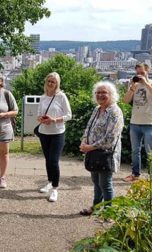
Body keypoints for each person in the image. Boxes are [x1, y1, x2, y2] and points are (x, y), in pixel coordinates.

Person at [79, 81, 124, 216]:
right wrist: (83, 141)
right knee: (96, 182)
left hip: (105, 154)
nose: (100, 95)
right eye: (98, 92)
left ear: (111, 94)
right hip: (93, 153)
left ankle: (108, 213)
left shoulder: (115, 112)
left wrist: (90, 147)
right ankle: (96, 207)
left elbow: (110, 138)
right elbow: (89, 127)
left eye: (103, 92)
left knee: (105, 184)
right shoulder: (97, 109)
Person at [123, 63, 152, 182]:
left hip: (150, 122)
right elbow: (125, 101)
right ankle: (135, 174)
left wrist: (146, 83)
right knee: (135, 150)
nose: (139, 75)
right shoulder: (134, 85)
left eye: (142, 73)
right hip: (135, 122)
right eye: (138, 73)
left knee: (150, 150)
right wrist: (132, 88)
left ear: (148, 71)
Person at [36, 72, 72, 202]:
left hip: (57, 133)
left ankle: (55, 189)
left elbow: (69, 115)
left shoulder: (61, 96)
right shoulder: (43, 97)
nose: (51, 83)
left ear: (57, 84)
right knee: (47, 160)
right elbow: (39, 113)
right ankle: (50, 182)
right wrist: (41, 118)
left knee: (54, 161)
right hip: (44, 132)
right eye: (49, 81)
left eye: (53, 82)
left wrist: (54, 120)